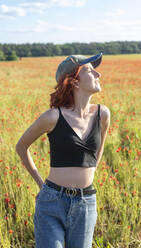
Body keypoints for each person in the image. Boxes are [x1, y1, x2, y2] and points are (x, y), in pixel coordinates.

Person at [16, 52, 110, 248]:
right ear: (74, 83)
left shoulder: (103, 114)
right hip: (52, 201)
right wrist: (41, 185)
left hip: (86, 203)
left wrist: (89, 176)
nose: (98, 75)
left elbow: (96, 153)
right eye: (90, 71)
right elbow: (21, 146)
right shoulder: (53, 117)